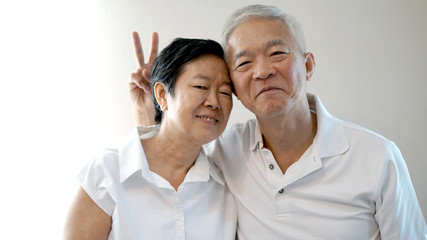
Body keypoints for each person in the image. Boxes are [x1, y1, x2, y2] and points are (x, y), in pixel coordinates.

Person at [131, 4, 427, 239]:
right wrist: (155, 108)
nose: (262, 71)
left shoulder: (376, 156)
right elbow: (165, 172)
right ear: (233, 83)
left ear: (308, 65)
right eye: (245, 63)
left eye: (277, 53)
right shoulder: (225, 151)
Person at [64, 37, 237, 239]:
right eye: (200, 86)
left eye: (225, 92)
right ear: (162, 94)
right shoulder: (108, 172)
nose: (215, 102)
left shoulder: (225, 187)